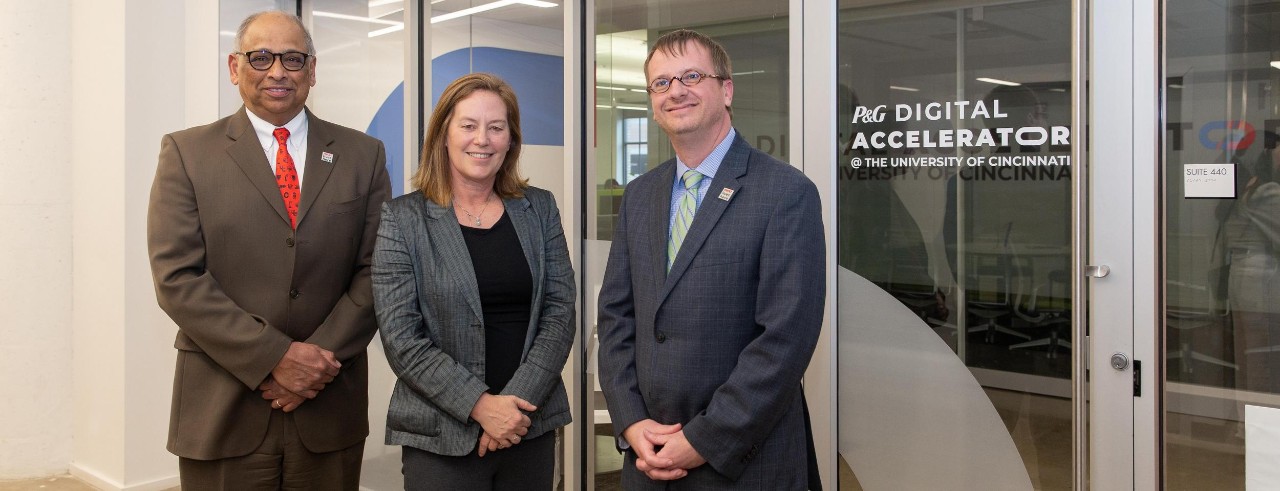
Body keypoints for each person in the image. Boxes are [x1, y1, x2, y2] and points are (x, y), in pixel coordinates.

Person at [147, 10, 391, 490]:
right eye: (260, 57)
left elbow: (377, 271)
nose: (277, 71)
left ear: (313, 71)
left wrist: (313, 363)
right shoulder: (187, 153)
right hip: (223, 405)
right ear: (234, 68)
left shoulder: (363, 155)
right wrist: (275, 358)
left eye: (293, 58)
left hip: (328, 402)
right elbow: (178, 278)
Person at [596, 29, 827, 489]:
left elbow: (784, 340)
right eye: (661, 83)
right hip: (648, 453)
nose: (675, 90)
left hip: (742, 459)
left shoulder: (785, 192)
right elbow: (617, 317)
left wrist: (705, 437)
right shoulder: (641, 195)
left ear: (726, 89)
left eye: (692, 76)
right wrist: (630, 421)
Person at [372, 73, 576, 491]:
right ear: (443, 135)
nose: (482, 139)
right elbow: (402, 338)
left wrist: (512, 408)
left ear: (510, 140)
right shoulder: (402, 219)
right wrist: (481, 406)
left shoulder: (539, 208)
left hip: (528, 426)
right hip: (441, 438)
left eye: (496, 127)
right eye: (468, 125)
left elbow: (559, 312)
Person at [1224, 139, 1280, 395]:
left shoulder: (1250, 186)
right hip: (1261, 281)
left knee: (1246, 354)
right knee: (1262, 355)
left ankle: (1245, 422)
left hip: (1244, 276)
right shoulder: (1268, 191)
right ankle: (1261, 426)